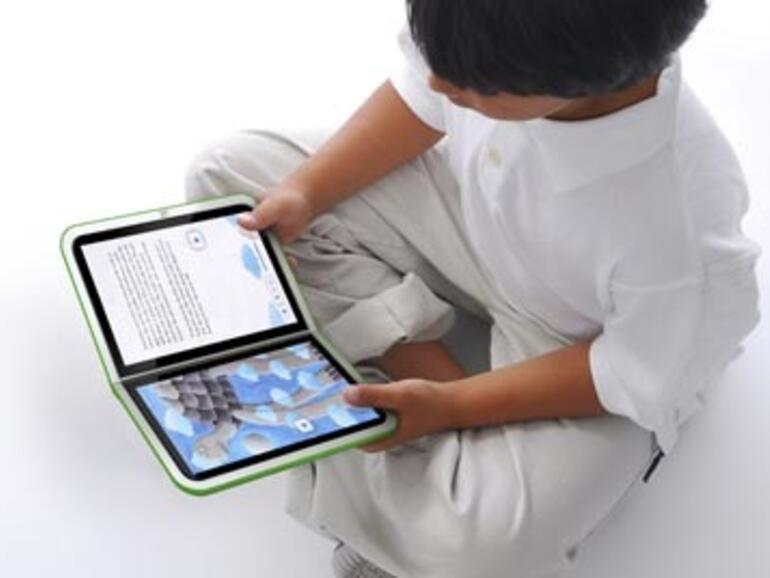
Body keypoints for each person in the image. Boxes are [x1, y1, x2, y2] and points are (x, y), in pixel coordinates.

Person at [184, 1, 761, 576]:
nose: (440, 82)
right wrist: (307, 192)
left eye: (472, 87)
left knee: (484, 546)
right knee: (230, 180)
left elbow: (630, 371)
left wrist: (452, 408)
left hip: (576, 349)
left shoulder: (678, 232)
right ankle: (413, 434)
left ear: (575, 82)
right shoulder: (501, 46)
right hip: (472, 218)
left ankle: (401, 452)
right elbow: (423, 94)